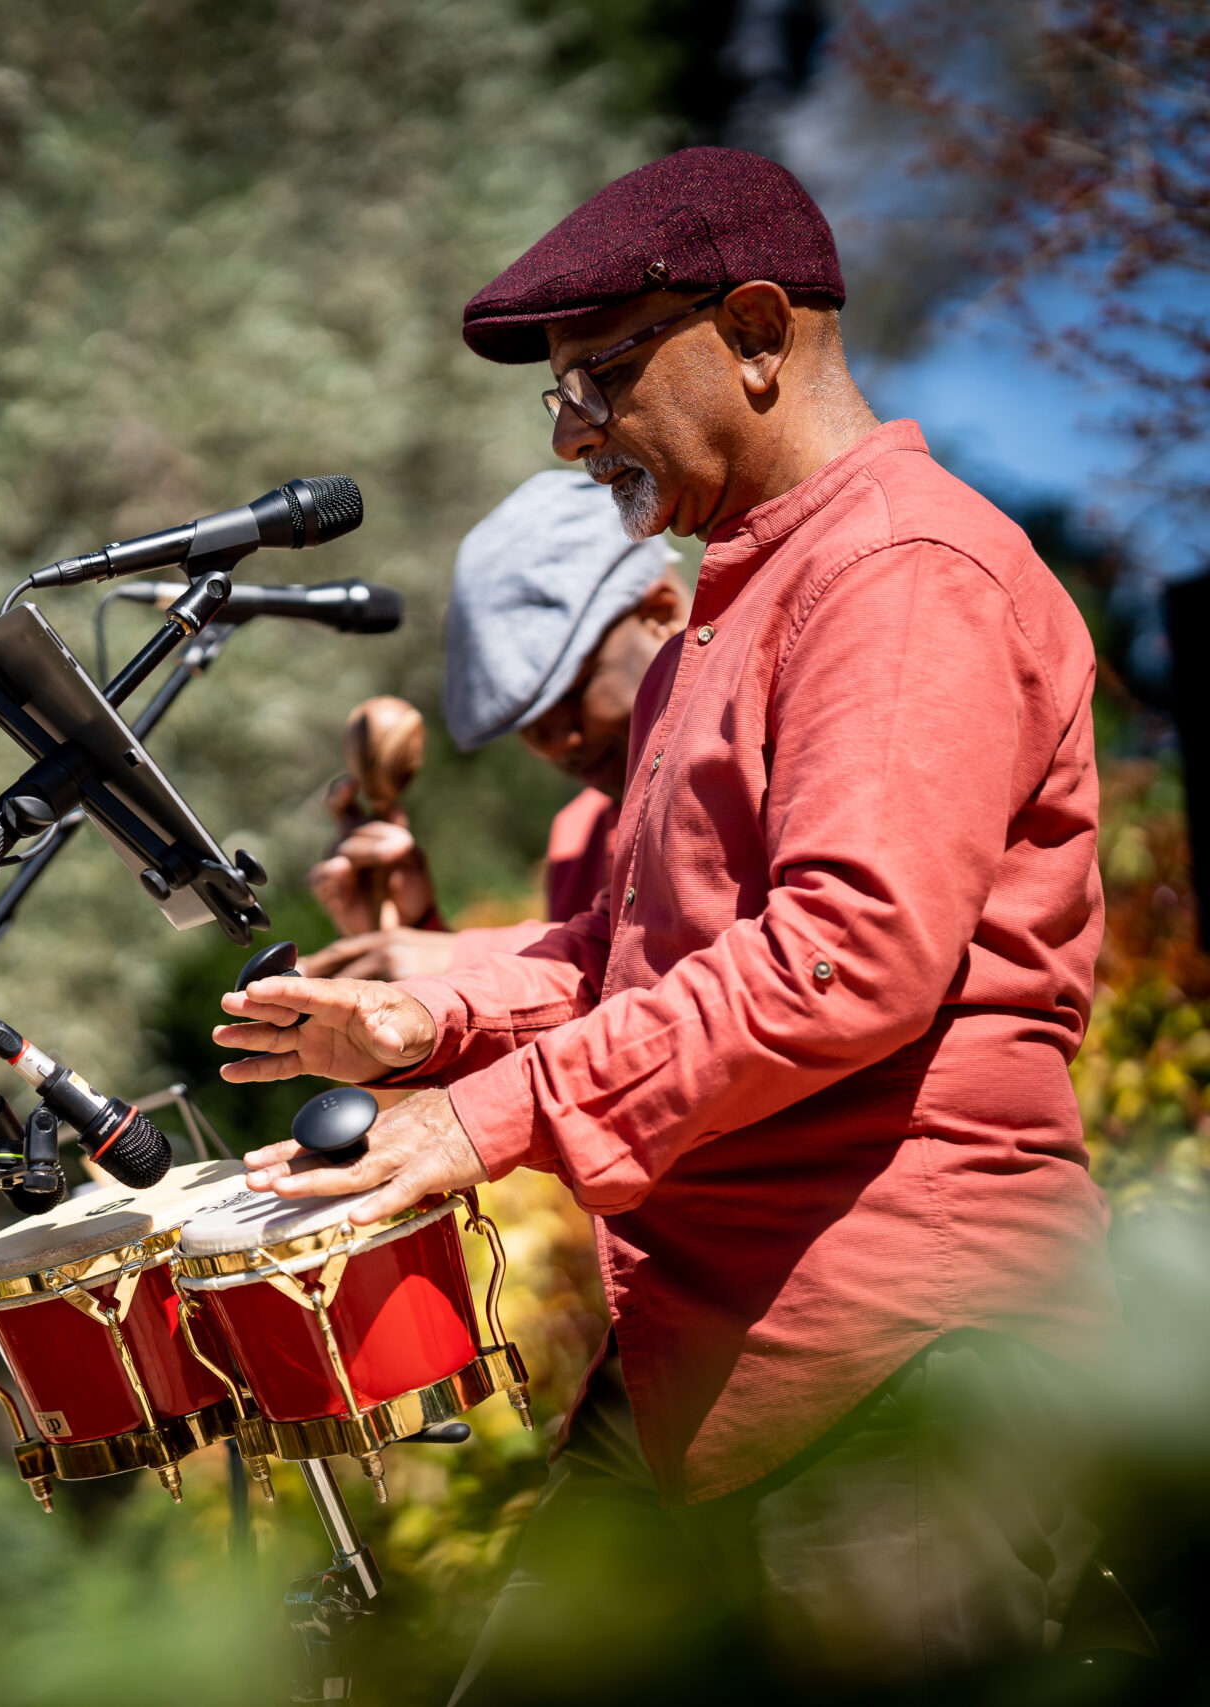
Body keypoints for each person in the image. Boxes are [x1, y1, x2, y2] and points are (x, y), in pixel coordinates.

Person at [214, 148, 1125, 1693]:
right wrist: (427, 1022)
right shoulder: (740, 594)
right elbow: (647, 947)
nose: (571, 437)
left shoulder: (899, 568)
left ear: (761, 329)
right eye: (557, 394)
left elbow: (844, 957)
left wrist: (480, 1118)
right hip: (702, 1366)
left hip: (896, 1364)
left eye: (601, 378)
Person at [307, 471, 684, 981]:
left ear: (659, 614)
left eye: (572, 693)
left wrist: (456, 960)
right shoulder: (578, 837)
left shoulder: (753, 758)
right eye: (525, 721)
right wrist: (416, 926)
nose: (556, 745)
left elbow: (721, 960)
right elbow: (585, 1028)